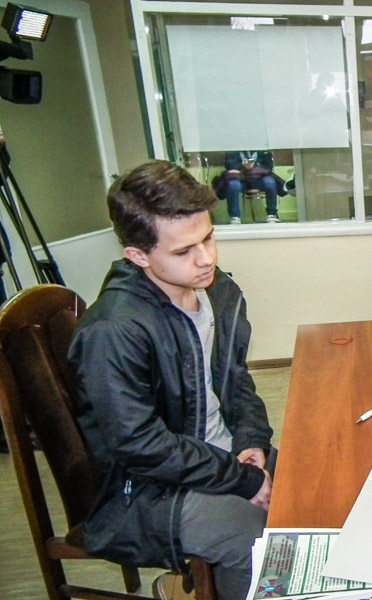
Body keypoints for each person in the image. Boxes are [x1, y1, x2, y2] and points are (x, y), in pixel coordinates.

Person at [69, 160, 275, 600]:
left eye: (208, 238)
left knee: (316, 485)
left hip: (215, 456)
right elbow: (140, 446)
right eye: (183, 252)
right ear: (138, 256)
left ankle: (197, 585)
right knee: (252, 538)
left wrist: (252, 441)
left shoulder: (219, 292)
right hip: (145, 489)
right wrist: (242, 480)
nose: (206, 259)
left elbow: (236, 381)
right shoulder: (114, 330)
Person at [216, 150, 284, 224]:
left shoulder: (263, 150)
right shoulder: (233, 150)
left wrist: (253, 167)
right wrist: (243, 166)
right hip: (241, 179)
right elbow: (229, 166)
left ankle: (272, 214)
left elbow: (268, 167)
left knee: (270, 182)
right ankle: (235, 216)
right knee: (233, 185)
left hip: (259, 178)